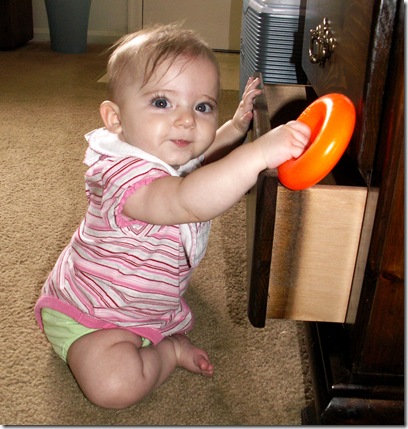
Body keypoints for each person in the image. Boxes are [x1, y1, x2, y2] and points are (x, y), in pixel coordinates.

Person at [34, 23, 310, 410]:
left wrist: (235, 127)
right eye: (162, 102)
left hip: (144, 295)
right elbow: (188, 199)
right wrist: (259, 154)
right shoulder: (123, 177)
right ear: (115, 120)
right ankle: (169, 353)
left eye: (203, 106)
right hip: (93, 312)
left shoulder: (162, 149)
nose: (186, 120)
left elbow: (200, 152)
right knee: (114, 387)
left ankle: (156, 327)